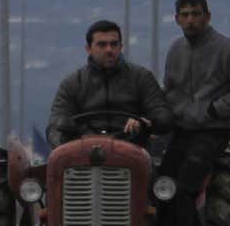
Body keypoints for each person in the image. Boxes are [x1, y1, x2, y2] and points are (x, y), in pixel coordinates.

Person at [159, 0, 230, 226]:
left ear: (207, 16)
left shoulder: (228, 49)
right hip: (182, 131)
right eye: (185, 15)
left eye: (196, 14)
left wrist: (216, 110)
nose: (191, 20)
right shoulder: (175, 51)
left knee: (185, 186)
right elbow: (169, 91)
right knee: (160, 185)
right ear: (176, 19)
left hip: (212, 131)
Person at [46, 19, 174, 148]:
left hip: (132, 151)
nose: (109, 50)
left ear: (121, 46)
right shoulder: (72, 84)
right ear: (88, 49)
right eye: (102, 45)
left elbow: (164, 116)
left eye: (114, 44)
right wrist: (64, 144)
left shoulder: (141, 77)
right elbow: (55, 125)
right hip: (84, 154)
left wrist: (146, 122)